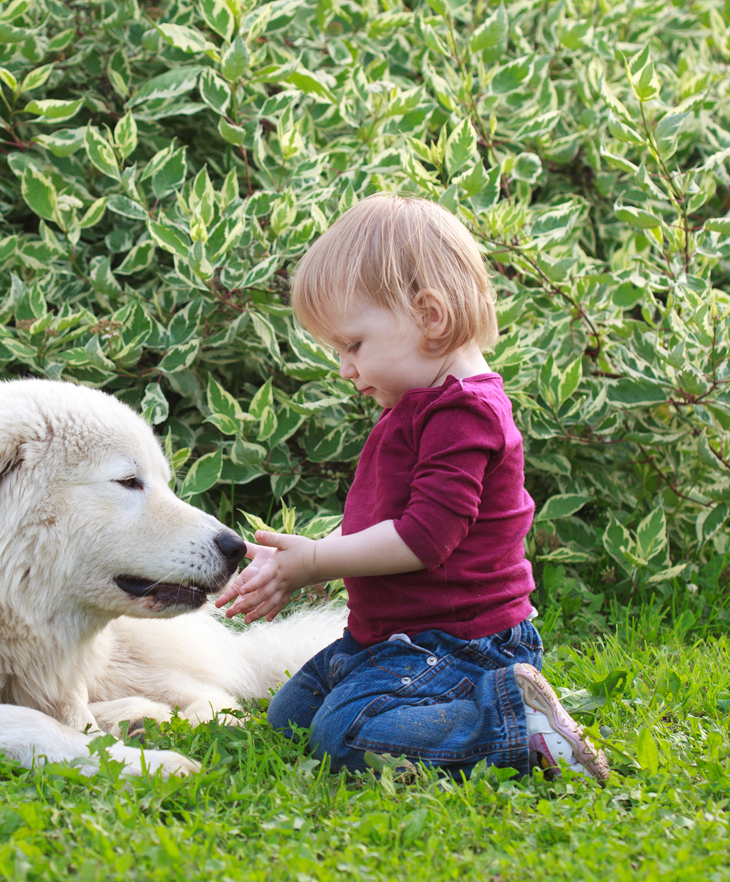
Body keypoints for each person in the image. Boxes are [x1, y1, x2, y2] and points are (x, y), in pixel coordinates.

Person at [216, 194, 609, 783]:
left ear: (429, 315)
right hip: (397, 640)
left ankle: (510, 722)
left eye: (353, 345)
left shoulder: (465, 413)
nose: (345, 369)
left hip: (461, 645)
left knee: (341, 735)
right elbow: (388, 522)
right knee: (290, 715)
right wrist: (302, 552)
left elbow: (424, 538)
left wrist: (318, 562)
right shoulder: (419, 407)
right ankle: (482, 710)